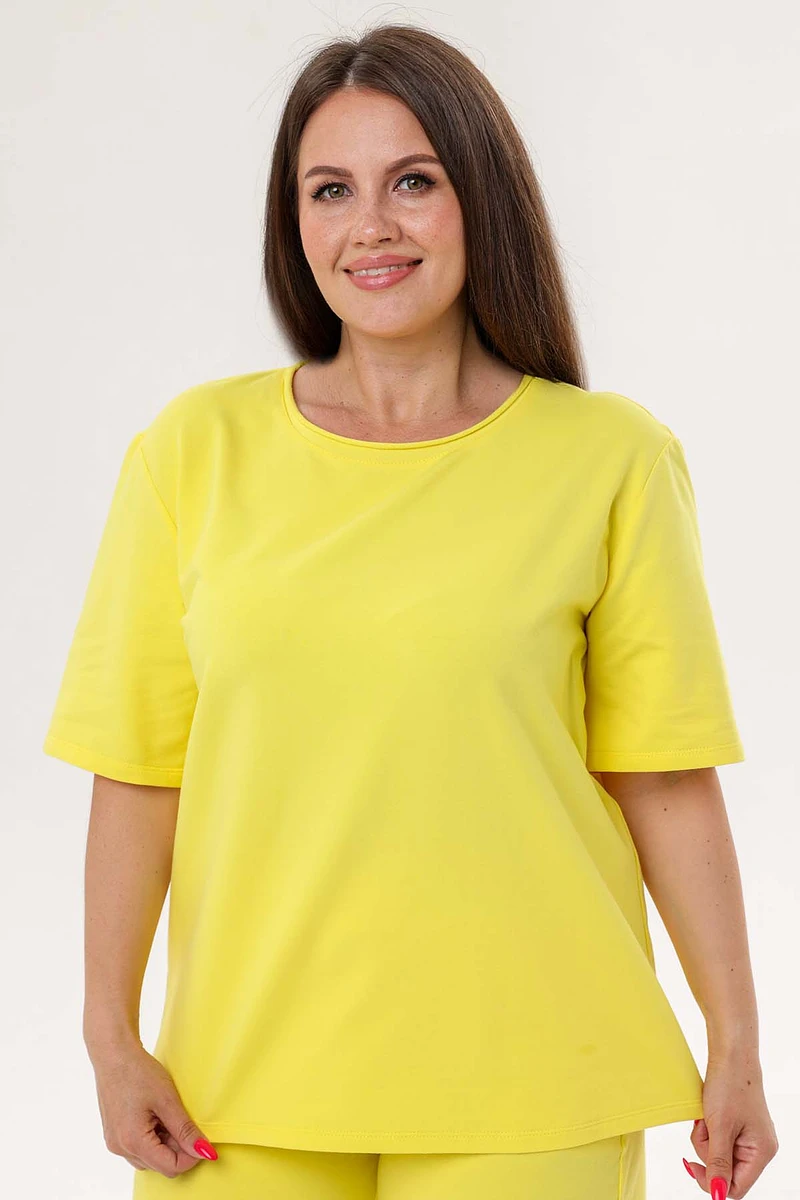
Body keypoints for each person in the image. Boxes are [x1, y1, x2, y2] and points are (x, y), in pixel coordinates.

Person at [42, 22, 778, 1200]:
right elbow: (138, 772)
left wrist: (735, 1044)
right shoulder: (192, 452)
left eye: (414, 182)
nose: (370, 225)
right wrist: (108, 1034)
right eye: (330, 190)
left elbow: (662, 777)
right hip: (235, 1086)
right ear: (294, 223)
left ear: (481, 198)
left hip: (539, 1076)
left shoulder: (610, 459)